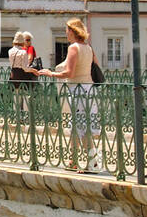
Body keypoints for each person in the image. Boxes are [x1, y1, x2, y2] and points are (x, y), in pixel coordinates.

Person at [39, 18, 101, 172]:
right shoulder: (88, 47)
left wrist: (50, 74)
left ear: (72, 31)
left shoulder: (74, 48)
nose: (66, 33)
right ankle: (73, 160)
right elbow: (96, 66)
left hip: (78, 90)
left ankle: (92, 164)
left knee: (82, 127)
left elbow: (69, 72)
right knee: (76, 126)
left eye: (67, 30)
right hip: (89, 89)